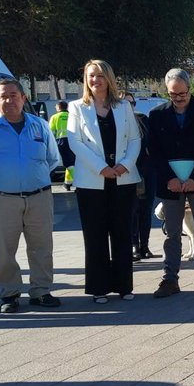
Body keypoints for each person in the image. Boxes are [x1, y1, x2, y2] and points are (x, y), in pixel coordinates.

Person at [0, 78, 61, 313]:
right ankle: (10, 293)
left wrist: (31, 177)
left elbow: (52, 159)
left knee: (41, 247)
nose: (9, 100)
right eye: (3, 96)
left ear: (23, 97)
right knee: (4, 249)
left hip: (39, 196)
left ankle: (41, 291)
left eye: (14, 95)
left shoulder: (39, 125)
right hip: (2, 198)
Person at [67, 59, 142, 304]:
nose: (95, 80)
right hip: (92, 181)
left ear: (108, 78)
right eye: (91, 76)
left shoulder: (123, 107)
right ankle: (99, 287)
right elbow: (74, 142)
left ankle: (124, 286)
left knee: (122, 233)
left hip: (123, 178)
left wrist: (125, 165)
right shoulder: (77, 107)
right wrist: (101, 167)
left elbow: (134, 139)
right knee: (95, 234)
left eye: (100, 75)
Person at [146, 69, 194, 298]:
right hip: (170, 184)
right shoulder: (156, 115)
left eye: (182, 93)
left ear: (189, 88)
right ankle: (170, 279)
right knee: (172, 233)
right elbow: (154, 151)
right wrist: (170, 178)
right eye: (173, 94)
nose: (178, 98)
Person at [130, 105, 156, 261]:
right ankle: (134, 245)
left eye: (131, 103)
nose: (128, 106)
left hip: (147, 171)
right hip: (128, 171)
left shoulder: (142, 119)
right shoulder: (117, 121)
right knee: (133, 211)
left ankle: (144, 245)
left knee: (146, 209)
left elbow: (151, 143)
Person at [48, 101, 74, 191]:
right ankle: (67, 183)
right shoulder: (72, 116)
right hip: (74, 140)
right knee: (72, 163)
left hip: (62, 141)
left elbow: (50, 132)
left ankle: (78, 183)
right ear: (66, 108)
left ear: (58, 108)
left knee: (69, 164)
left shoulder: (55, 117)